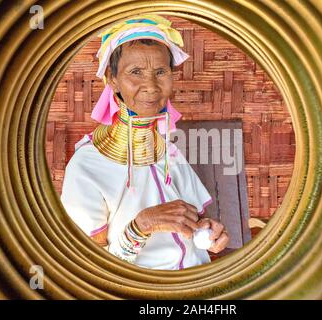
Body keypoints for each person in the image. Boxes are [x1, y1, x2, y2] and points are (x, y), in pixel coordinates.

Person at [60, 14, 229, 270]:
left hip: (199, 281)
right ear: (112, 78)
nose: (151, 86)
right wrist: (141, 226)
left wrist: (207, 231)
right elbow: (88, 270)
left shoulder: (166, 149)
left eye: (160, 72)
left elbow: (191, 220)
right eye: (135, 72)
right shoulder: (86, 166)